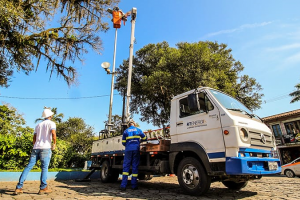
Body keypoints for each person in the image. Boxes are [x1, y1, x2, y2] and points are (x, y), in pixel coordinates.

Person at [14, 107, 57, 195]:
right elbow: (53, 133)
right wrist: (54, 143)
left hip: (36, 148)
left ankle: (19, 187)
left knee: (29, 166)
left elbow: (34, 137)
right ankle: (43, 187)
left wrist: (35, 145)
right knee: (44, 168)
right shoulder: (52, 123)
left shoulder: (38, 125)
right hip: (45, 148)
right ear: (50, 115)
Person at [120, 120, 147, 191]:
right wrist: (139, 141)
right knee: (135, 166)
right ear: (134, 124)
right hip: (136, 149)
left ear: (129, 125)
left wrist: (128, 145)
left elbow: (123, 142)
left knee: (126, 167)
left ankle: (123, 186)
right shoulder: (138, 130)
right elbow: (145, 138)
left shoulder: (126, 131)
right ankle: (134, 186)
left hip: (128, 150)